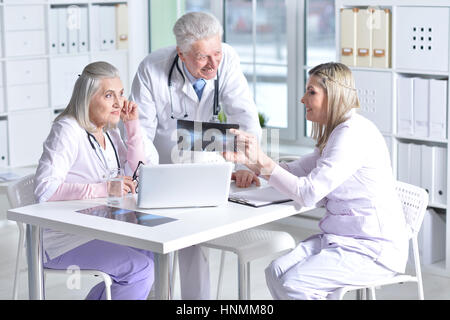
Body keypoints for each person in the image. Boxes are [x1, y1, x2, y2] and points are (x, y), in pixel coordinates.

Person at [223, 62, 409, 300]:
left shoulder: (352, 134)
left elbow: (308, 193)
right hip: (340, 239)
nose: (303, 99)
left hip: (371, 247)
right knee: (275, 272)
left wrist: (264, 164)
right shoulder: (337, 133)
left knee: (294, 284)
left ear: (334, 96)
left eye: (311, 92)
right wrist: (254, 165)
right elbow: (297, 169)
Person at [129, 11, 262, 299]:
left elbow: (245, 115)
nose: (214, 63)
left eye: (217, 52)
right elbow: (141, 131)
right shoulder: (152, 68)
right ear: (181, 52)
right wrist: (150, 174)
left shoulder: (226, 59)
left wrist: (246, 164)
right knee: (154, 242)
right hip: (161, 166)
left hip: (204, 166)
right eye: (203, 57)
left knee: (193, 241)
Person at [34, 61, 158, 300]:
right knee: (141, 270)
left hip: (100, 227)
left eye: (121, 95)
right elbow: (45, 190)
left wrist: (132, 127)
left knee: (150, 251)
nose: (118, 103)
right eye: (108, 95)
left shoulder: (109, 131)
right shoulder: (67, 130)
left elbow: (137, 170)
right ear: (87, 98)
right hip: (63, 239)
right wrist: (103, 188)